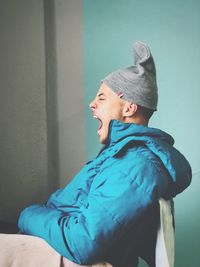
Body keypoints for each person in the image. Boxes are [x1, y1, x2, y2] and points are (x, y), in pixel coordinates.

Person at [18, 41, 192, 267]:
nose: (91, 104)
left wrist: (28, 214)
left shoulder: (135, 165)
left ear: (129, 108)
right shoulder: (121, 156)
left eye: (101, 98)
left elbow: (83, 243)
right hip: (51, 244)